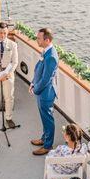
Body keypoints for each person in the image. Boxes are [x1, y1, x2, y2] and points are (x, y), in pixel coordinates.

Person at [30, 28, 59, 156]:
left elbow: (46, 79)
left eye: (39, 38)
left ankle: (47, 145)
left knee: (48, 118)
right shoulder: (45, 51)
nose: (37, 40)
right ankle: (44, 138)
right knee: (43, 116)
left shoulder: (51, 56)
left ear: (47, 40)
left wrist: (36, 89)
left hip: (46, 92)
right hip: (41, 90)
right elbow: (38, 69)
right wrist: (32, 82)